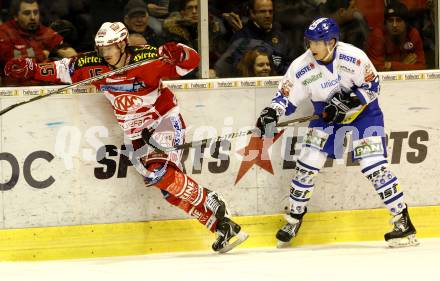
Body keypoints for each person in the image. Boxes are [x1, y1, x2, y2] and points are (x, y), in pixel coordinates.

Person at [4, 22, 248, 253]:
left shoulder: (148, 58)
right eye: (101, 48)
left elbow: (189, 63)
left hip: (162, 120)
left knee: (159, 172)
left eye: (109, 47)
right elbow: (62, 69)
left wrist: (179, 52)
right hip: (133, 132)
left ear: (122, 44)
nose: (104, 52)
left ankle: (210, 198)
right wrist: (31, 68)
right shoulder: (93, 64)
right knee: (166, 188)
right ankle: (222, 227)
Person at [256, 17, 418, 248]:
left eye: (317, 43)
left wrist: (352, 99)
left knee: (372, 164)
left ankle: (402, 221)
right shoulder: (301, 66)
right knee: (307, 164)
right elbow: (285, 97)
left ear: (331, 42)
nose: (312, 48)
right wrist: (272, 112)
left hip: (364, 114)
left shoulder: (354, 57)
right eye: (309, 42)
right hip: (326, 116)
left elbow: (374, 86)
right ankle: (294, 217)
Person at [0, 0, 69, 73]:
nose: (33, 17)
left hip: (43, 80)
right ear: (16, 16)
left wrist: (66, 51)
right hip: (12, 81)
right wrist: (42, 54)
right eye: (27, 13)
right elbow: (10, 60)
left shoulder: (45, 31)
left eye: (36, 12)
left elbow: (65, 50)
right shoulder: (4, 32)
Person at [366, 1, 426, 71]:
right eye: (391, 21)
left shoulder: (413, 34)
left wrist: (391, 65)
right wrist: (404, 64)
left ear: (406, 22)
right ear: (385, 23)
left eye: (398, 20)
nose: (394, 25)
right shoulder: (378, 35)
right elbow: (375, 69)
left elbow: (421, 67)